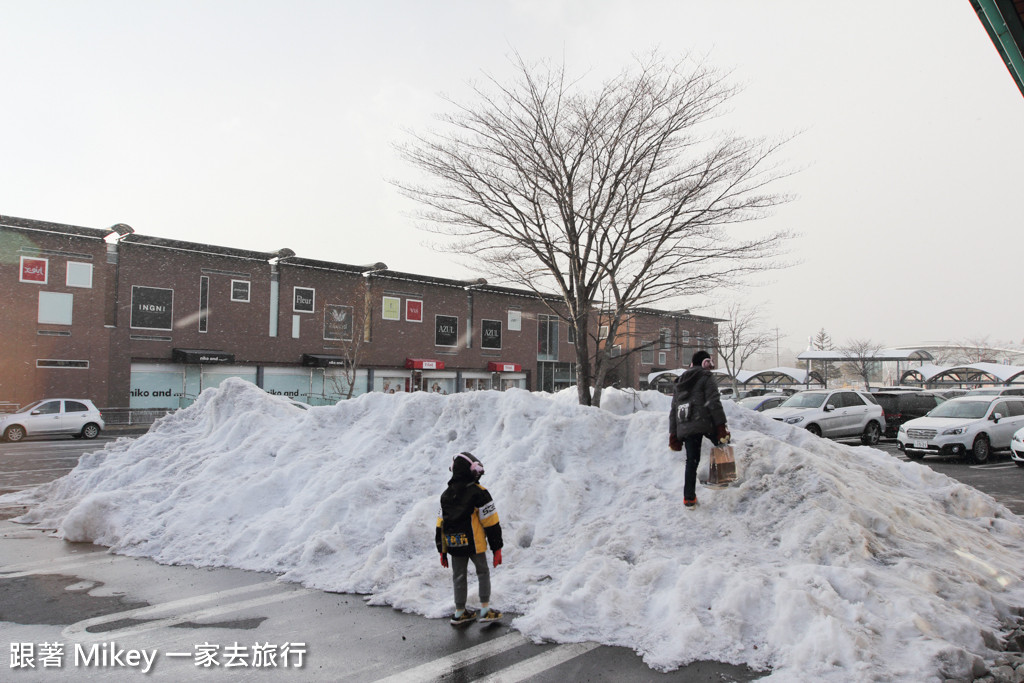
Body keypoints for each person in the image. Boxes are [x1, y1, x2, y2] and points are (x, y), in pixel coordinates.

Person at [435, 451, 504, 625]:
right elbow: (491, 522)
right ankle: (485, 610)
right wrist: (497, 548)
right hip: (475, 544)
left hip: (454, 544)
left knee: (458, 575)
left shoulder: (445, 495)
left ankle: (459, 612)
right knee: (483, 572)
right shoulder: (479, 492)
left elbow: (440, 525)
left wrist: (442, 551)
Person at [669, 351, 731, 509]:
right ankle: (724, 479)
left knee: (691, 461)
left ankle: (688, 498)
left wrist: (673, 434)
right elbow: (713, 402)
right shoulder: (706, 376)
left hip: (687, 424)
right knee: (722, 443)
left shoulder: (680, 380)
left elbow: (674, 410)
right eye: (709, 362)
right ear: (704, 362)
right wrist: (721, 427)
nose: (711, 366)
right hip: (704, 421)